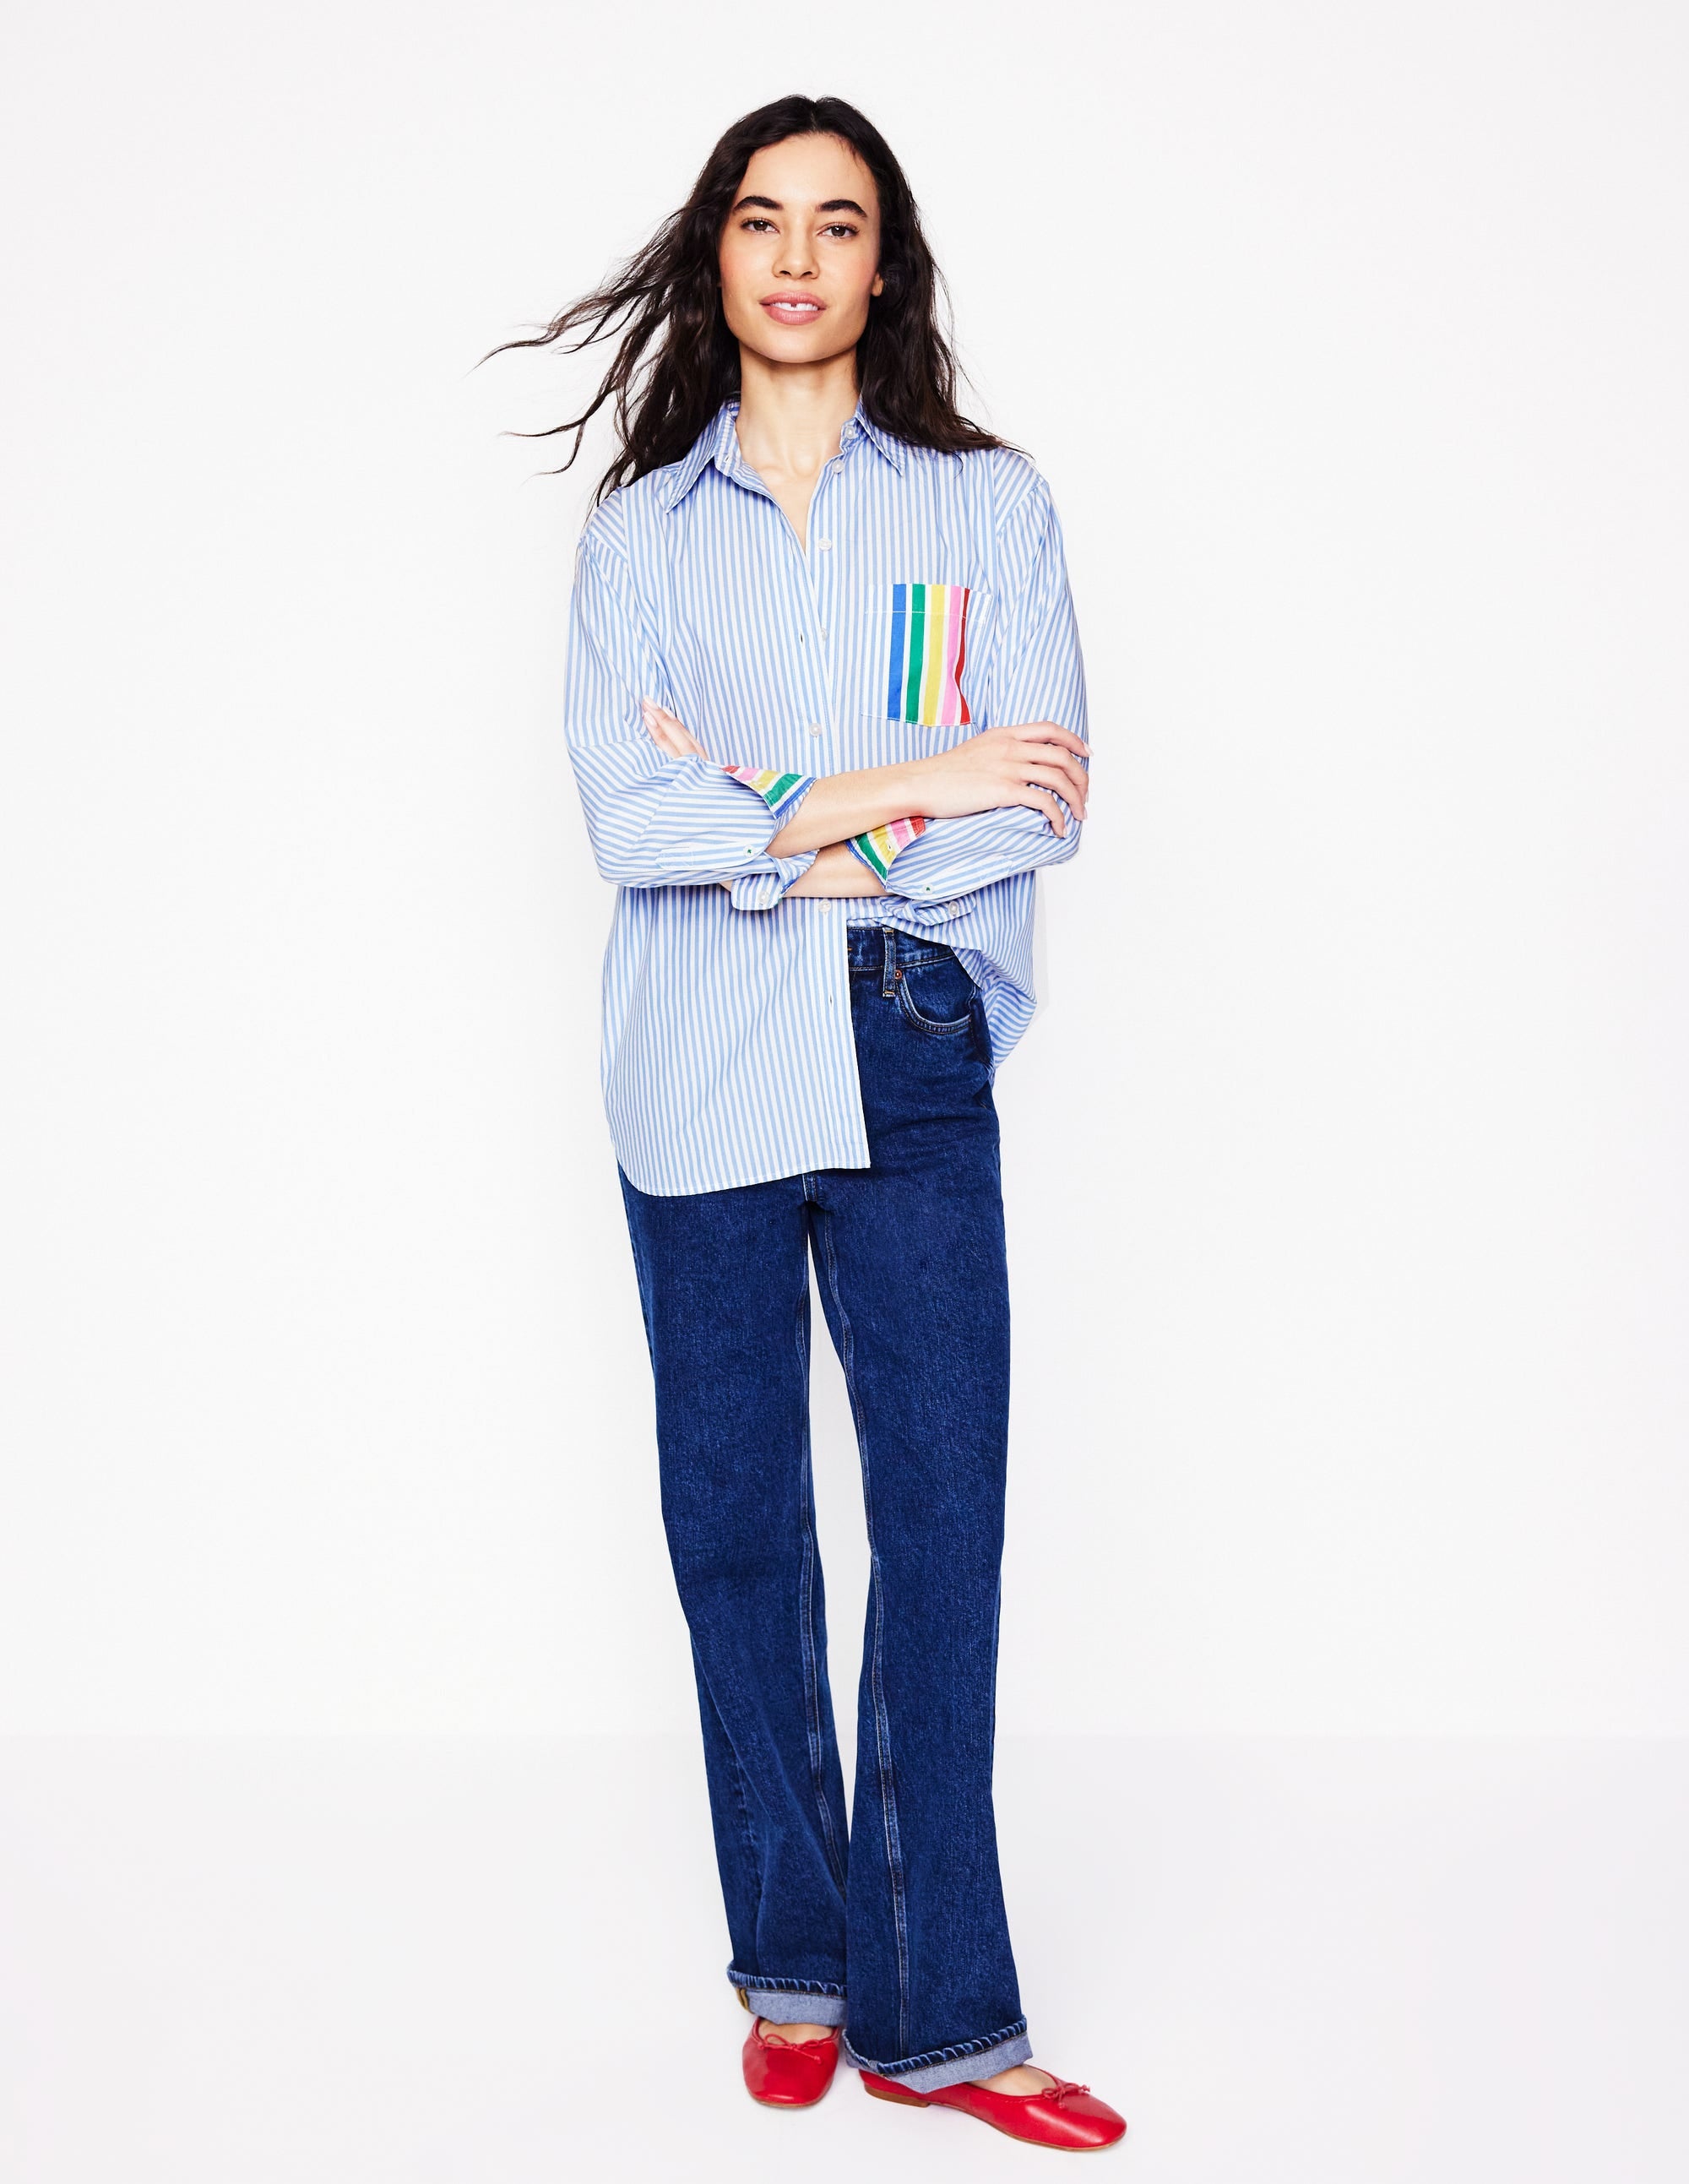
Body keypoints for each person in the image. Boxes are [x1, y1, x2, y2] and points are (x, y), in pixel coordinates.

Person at [511, 93, 1124, 2154]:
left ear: (885, 265)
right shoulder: (635, 541)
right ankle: (791, 1960)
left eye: (835, 223)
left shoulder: (987, 508)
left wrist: (778, 811)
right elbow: (627, 818)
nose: (795, 255)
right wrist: (893, 785)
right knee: (741, 1532)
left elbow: (1037, 798)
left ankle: (941, 2013)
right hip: (695, 1057)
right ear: (717, 258)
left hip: (906, 1043)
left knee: (942, 1523)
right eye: (760, 221)